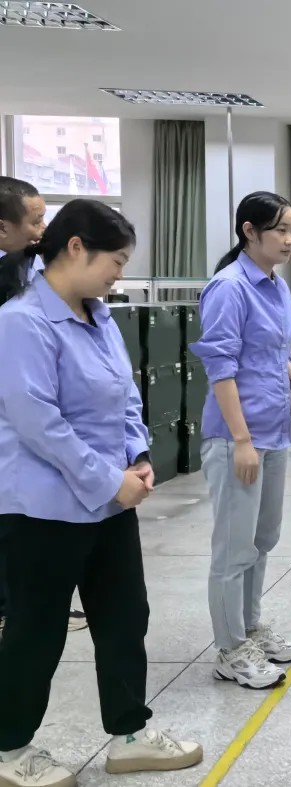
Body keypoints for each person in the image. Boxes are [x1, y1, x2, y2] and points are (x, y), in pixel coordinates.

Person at [0, 199, 203, 786]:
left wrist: (137, 457)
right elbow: (39, 423)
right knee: (37, 630)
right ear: (75, 249)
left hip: (110, 503)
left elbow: (125, 395)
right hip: (43, 508)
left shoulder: (99, 316)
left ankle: (130, 733)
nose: (119, 274)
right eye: (116, 261)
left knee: (124, 617)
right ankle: (9, 748)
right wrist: (108, 480)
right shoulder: (22, 322)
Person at [190, 191, 291, 690]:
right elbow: (221, 368)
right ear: (249, 231)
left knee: (262, 540)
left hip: (274, 431)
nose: (289, 240)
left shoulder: (276, 286)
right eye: (280, 230)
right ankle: (230, 649)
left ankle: (249, 626)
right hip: (237, 438)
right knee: (233, 548)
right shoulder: (229, 288)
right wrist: (241, 440)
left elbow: (272, 351)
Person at [0, 178, 87, 642]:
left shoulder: (27, 266)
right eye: (35, 221)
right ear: (3, 228)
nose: (43, 230)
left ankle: (22, 602)